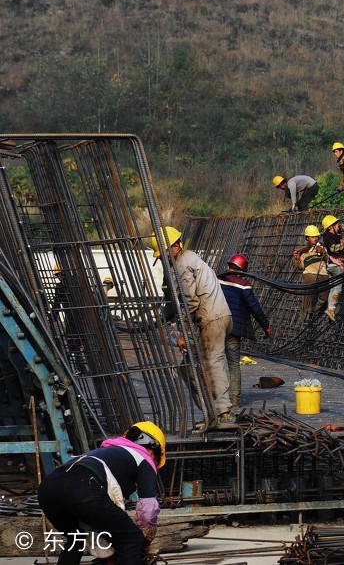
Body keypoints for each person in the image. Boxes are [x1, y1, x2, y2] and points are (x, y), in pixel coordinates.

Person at [38, 422, 166, 565]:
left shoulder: (106, 453)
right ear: (153, 451)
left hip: (48, 488)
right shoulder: (144, 458)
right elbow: (148, 509)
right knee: (131, 539)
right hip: (82, 486)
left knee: (77, 538)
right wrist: (145, 538)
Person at [150, 226, 233, 424]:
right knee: (190, 366)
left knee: (212, 363)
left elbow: (190, 301)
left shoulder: (183, 264)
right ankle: (213, 411)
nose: (163, 259)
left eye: (163, 254)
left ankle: (222, 412)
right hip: (214, 316)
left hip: (212, 318)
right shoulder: (189, 259)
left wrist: (183, 333)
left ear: (174, 246)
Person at [218, 254, 271, 409]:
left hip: (216, 327)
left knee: (216, 362)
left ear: (228, 266)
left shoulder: (216, 280)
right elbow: (255, 308)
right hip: (234, 329)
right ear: (242, 272)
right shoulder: (243, 285)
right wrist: (266, 326)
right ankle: (234, 399)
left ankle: (218, 396)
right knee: (234, 364)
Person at [320, 212, 344, 321]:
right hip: (335, 265)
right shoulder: (329, 237)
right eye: (336, 224)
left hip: (330, 265)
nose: (338, 226)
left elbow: (343, 227)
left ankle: (330, 309)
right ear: (330, 227)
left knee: (333, 287)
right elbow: (333, 248)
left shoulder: (333, 233)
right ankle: (331, 309)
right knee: (338, 287)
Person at [292, 224, 330, 321]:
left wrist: (324, 253)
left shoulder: (322, 248)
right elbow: (301, 267)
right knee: (307, 298)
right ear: (307, 238)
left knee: (325, 298)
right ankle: (305, 319)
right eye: (313, 237)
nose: (315, 238)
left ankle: (313, 313)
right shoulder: (303, 251)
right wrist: (297, 259)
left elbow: (329, 261)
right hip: (309, 275)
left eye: (316, 236)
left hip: (323, 274)